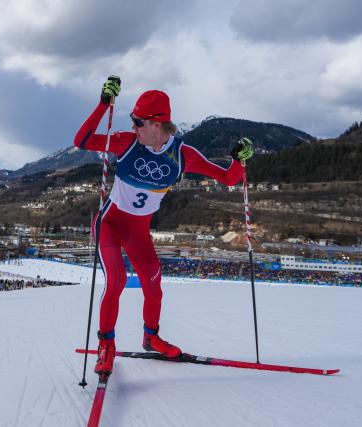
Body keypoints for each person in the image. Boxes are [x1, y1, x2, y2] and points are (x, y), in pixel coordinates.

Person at [73, 76, 254, 375]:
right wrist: (103, 104)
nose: (133, 127)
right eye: (133, 121)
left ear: (158, 124)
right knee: (116, 281)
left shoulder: (182, 156)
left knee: (154, 286)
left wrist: (239, 160)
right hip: (111, 224)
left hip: (138, 231)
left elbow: (228, 178)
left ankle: (151, 337)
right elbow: (81, 140)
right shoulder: (127, 143)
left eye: (139, 122)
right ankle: (106, 345)